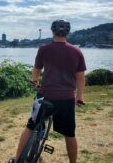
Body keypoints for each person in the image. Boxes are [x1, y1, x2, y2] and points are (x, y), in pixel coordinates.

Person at [11, 19, 86, 163]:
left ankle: (17, 158)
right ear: (68, 33)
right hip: (66, 99)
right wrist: (79, 97)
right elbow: (81, 78)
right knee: (69, 134)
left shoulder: (43, 49)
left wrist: (35, 81)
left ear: (52, 32)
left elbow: (36, 70)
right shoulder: (76, 51)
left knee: (30, 127)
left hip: (45, 96)